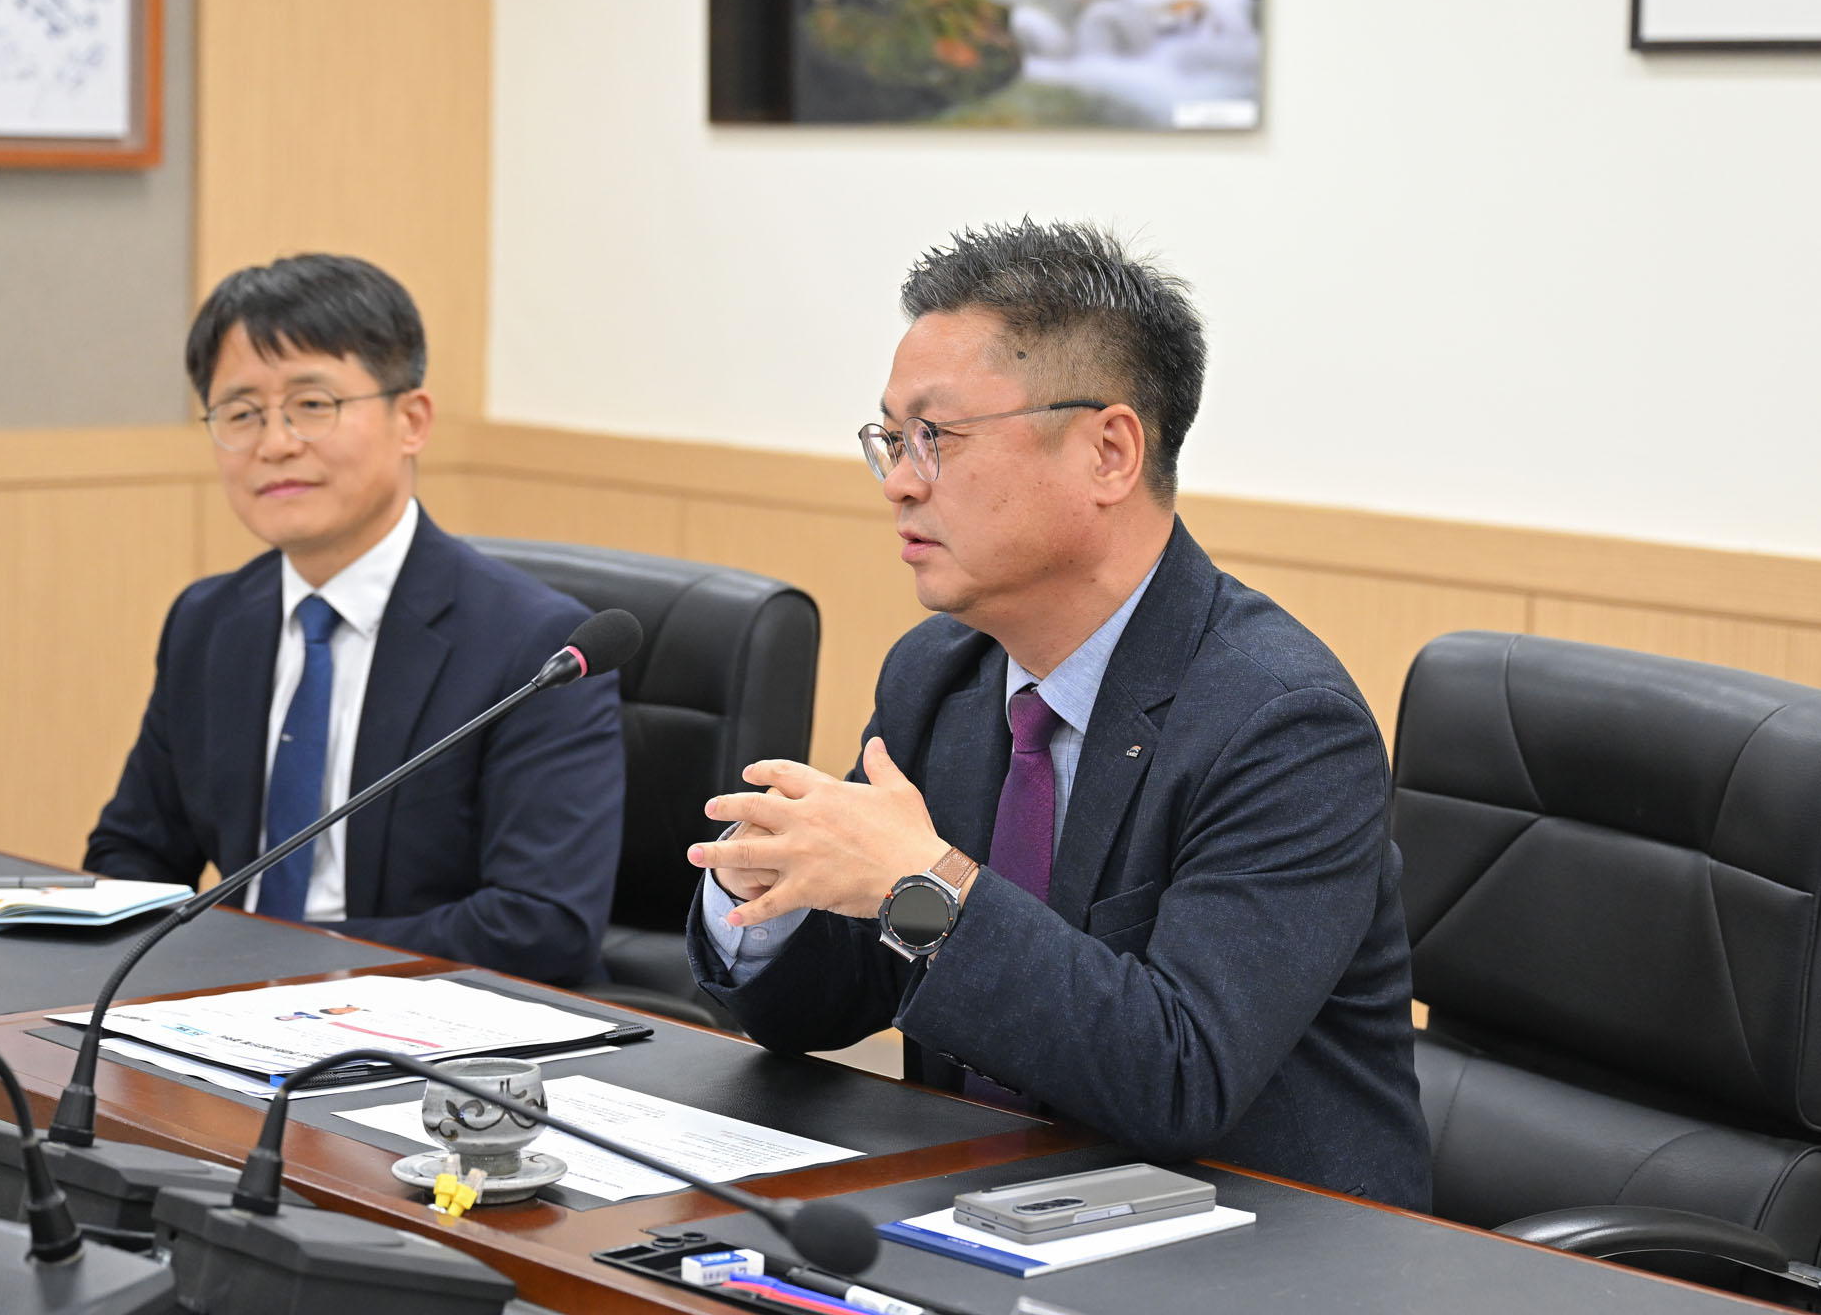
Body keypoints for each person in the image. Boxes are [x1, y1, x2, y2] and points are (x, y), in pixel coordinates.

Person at [686, 221, 1431, 1209]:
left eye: (937, 438)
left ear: (1109, 452)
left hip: (1254, 1241)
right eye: (891, 440)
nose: (900, 481)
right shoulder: (938, 674)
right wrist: (761, 902)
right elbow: (838, 997)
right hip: (986, 1210)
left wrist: (926, 884)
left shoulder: (1285, 724)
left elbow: (1180, 1072)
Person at [86, 254, 623, 985]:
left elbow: (540, 927)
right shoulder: (209, 621)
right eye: (240, 414)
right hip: (215, 1010)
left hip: (435, 1027)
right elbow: (130, 855)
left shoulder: (535, 647)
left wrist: (270, 961)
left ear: (411, 420)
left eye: (312, 404)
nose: (275, 443)